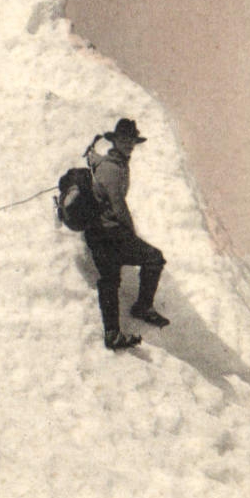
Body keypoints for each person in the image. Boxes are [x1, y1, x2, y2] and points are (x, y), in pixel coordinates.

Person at [84, 117, 169, 351]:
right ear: (115, 141)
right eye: (124, 140)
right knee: (151, 258)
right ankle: (135, 314)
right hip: (106, 232)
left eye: (132, 141)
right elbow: (118, 205)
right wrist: (131, 233)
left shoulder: (117, 163)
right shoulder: (112, 168)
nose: (129, 144)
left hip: (105, 232)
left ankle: (117, 330)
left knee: (111, 277)